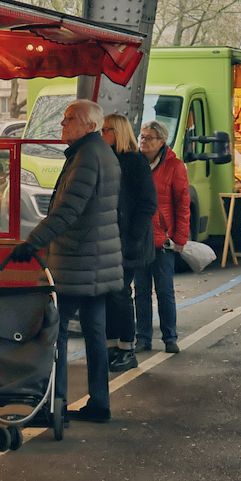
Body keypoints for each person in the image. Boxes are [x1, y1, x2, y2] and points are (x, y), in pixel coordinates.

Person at [9, 99, 122, 423]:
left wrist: (31, 244)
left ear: (90, 125)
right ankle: (99, 402)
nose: (62, 124)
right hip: (97, 261)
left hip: (78, 262)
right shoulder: (101, 153)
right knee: (95, 335)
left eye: (69, 119)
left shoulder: (87, 157)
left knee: (51, 332)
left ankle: (52, 404)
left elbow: (68, 212)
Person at [101, 114, 157, 373]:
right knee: (109, 295)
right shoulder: (105, 158)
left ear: (119, 131)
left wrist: (134, 237)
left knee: (121, 294)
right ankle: (111, 346)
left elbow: (148, 203)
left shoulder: (135, 161)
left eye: (106, 130)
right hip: (109, 239)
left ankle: (127, 348)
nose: (102, 134)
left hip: (128, 241)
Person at [138, 120, 186, 353]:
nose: (143, 141)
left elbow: (182, 202)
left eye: (149, 138)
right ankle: (143, 337)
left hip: (163, 239)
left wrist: (180, 238)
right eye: (142, 137)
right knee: (141, 291)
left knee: (165, 291)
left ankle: (170, 337)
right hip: (139, 238)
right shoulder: (136, 163)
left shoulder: (174, 166)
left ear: (161, 141)